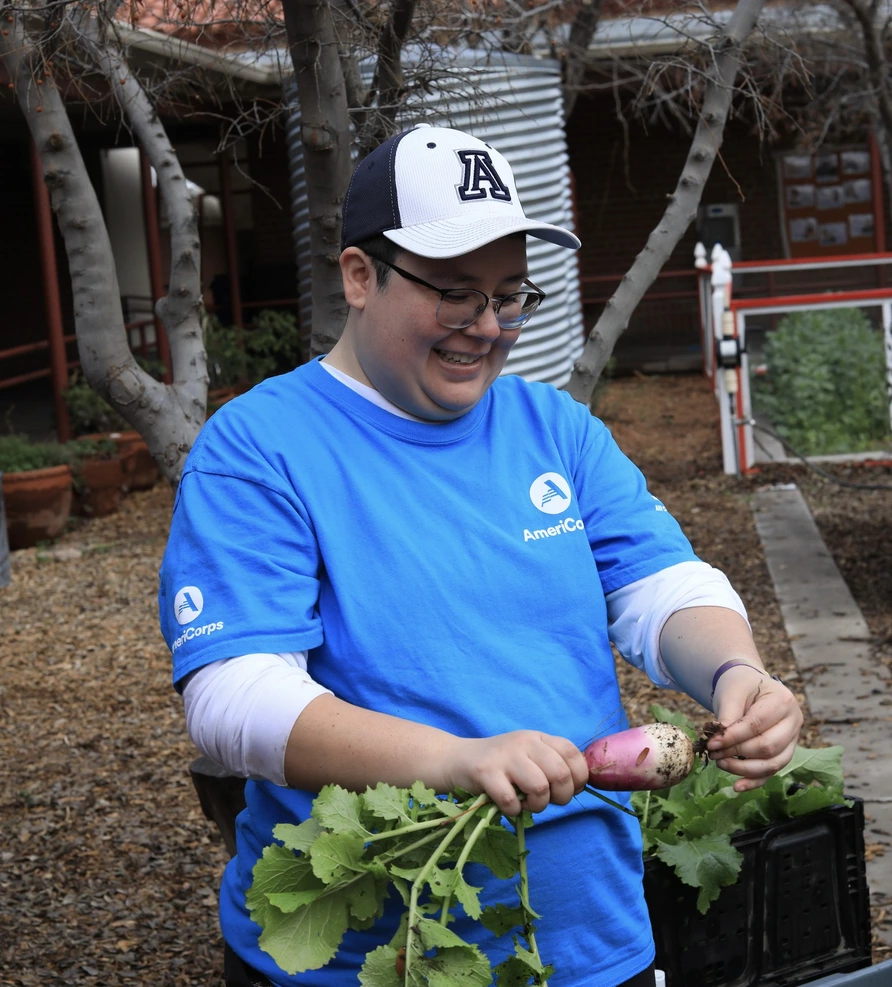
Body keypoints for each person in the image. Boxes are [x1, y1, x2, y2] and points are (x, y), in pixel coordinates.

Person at [158, 125, 803, 987]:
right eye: (455, 293)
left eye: (509, 295)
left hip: (591, 941)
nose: (488, 328)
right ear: (359, 276)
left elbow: (662, 586)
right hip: (369, 958)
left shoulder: (555, 429)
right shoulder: (259, 446)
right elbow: (234, 698)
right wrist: (455, 760)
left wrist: (736, 674)